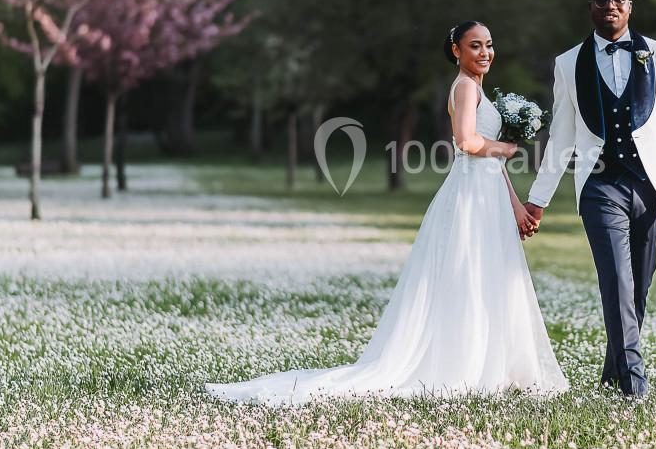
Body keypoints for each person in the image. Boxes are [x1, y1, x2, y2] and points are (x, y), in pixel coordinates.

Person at [206, 21, 569, 405]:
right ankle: (466, 364)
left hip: (487, 192)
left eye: (489, 45)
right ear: (456, 52)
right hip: (470, 196)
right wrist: (507, 149)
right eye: (475, 46)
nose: (484, 53)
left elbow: (489, 163)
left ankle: (492, 363)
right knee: (469, 274)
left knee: (487, 276)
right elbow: (466, 142)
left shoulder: (477, 88)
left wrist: (515, 207)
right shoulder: (464, 87)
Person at [522, 0, 656, 399]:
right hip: (599, 188)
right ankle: (633, 387)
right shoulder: (567, 63)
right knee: (616, 282)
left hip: (651, 188)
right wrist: (537, 200)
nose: (611, 5)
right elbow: (561, 136)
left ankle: (610, 373)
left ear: (630, 6)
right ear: (591, 6)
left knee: (637, 287)